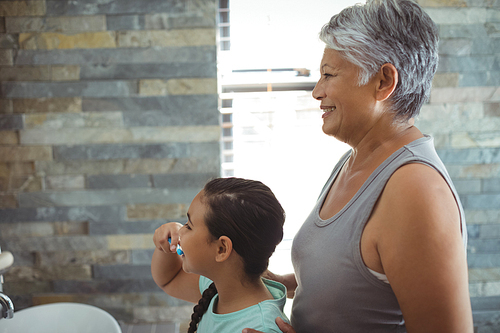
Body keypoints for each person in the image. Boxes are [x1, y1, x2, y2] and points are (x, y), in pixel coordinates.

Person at [243, 0, 473, 332]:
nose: (316, 91)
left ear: (383, 82)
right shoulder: (356, 158)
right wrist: (285, 283)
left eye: (328, 75)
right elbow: (359, 280)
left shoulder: (416, 190)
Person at [151, 177, 289, 333]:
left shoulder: (260, 328)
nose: (180, 231)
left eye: (188, 226)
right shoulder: (219, 284)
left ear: (222, 249)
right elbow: (169, 280)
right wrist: (166, 243)